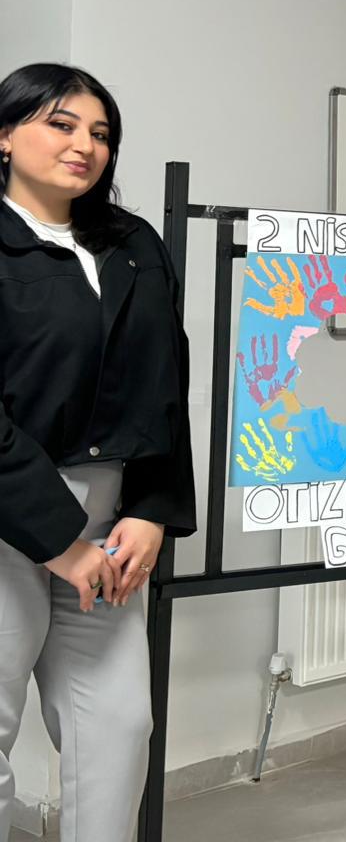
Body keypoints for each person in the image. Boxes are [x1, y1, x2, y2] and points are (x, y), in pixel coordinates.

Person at [0, 64, 195, 840]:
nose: (85, 144)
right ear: (4, 136)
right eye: (60, 124)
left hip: (112, 523)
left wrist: (150, 509)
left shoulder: (132, 243)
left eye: (101, 132)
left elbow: (165, 382)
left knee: (117, 727)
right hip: (11, 517)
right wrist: (61, 541)